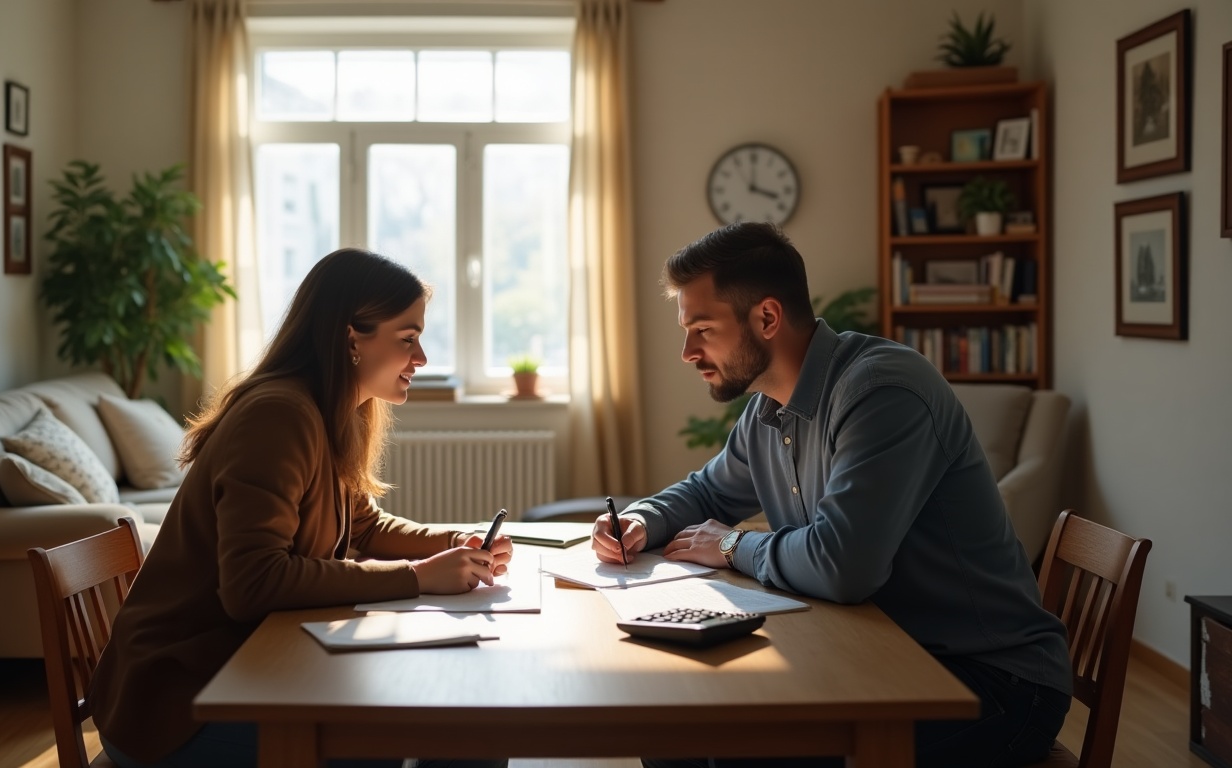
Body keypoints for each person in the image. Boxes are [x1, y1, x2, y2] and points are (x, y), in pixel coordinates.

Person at [593, 223, 1071, 768]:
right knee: (673, 723)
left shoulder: (881, 392)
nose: (686, 351)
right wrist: (640, 518)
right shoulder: (768, 410)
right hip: (883, 652)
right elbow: (707, 490)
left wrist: (731, 547)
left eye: (702, 328)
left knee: (741, 749)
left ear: (767, 318)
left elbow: (843, 567)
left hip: (989, 682)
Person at [90, 248, 512, 768]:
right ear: (350, 338)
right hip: (176, 705)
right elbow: (253, 584)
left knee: (468, 720)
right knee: (410, 737)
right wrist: (418, 577)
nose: (420, 358)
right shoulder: (278, 416)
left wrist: (453, 543)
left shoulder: (331, 409)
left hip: (250, 667)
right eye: (407, 340)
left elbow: (364, 523)